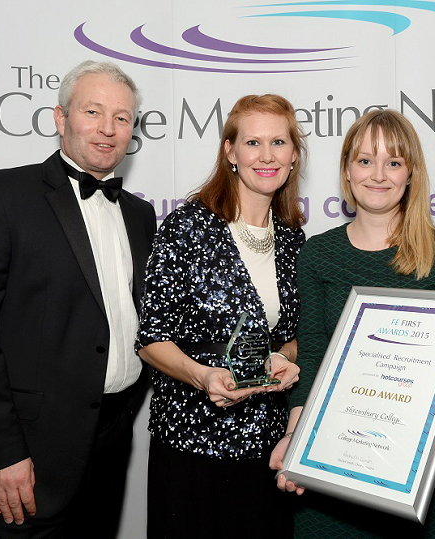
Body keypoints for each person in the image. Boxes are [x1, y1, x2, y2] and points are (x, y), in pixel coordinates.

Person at [0, 60, 157, 538]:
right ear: (60, 119)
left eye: (121, 118)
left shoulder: (140, 215)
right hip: (22, 459)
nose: (107, 128)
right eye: (92, 111)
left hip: (109, 450)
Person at [270, 109, 435, 538]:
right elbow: (312, 352)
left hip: (419, 469)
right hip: (333, 464)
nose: (379, 175)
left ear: (411, 174)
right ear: (347, 172)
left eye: (394, 162)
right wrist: (296, 437)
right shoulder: (318, 254)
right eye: (365, 160)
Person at [136, 94, 306, 538]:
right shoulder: (187, 227)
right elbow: (151, 338)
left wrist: (286, 360)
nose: (266, 156)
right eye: (253, 142)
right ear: (230, 152)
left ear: (293, 155)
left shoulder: (292, 238)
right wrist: (202, 377)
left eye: (279, 142)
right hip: (193, 444)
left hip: (268, 446)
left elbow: (288, 336)